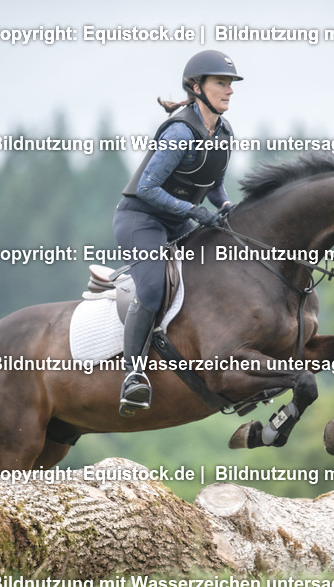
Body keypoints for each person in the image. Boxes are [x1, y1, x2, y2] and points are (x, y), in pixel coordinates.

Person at [114, 50, 242, 417]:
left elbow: (213, 186)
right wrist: (193, 211)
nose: (229, 91)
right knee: (153, 288)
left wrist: (227, 207)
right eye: (222, 83)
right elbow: (148, 188)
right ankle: (133, 374)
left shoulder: (223, 131)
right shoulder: (180, 131)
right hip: (141, 219)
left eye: (230, 84)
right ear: (196, 87)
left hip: (179, 220)